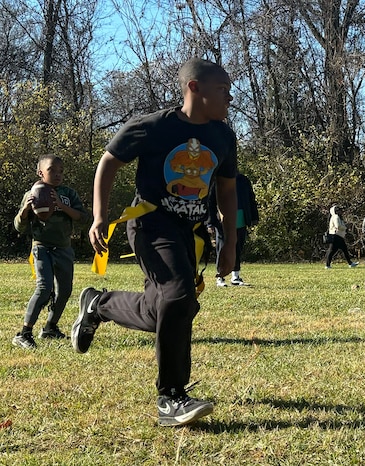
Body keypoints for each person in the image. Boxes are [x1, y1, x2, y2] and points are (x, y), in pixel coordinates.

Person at [71, 58, 238, 427]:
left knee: (162, 309)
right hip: (150, 224)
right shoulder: (152, 128)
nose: (230, 97)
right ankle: (171, 399)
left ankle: (99, 304)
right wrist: (100, 216)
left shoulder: (223, 136)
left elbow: (227, 191)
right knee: (179, 298)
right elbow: (108, 162)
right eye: (223, 90)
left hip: (190, 233)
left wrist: (229, 244)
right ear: (194, 88)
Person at [12, 154, 89, 349]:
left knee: (64, 290)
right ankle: (24, 333)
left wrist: (62, 206)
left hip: (63, 248)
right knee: (44, 288)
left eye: (60, 171)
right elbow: (19, 227)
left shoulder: (68, 193)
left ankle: (50, 328)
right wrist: (25, 211)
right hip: (42, 247)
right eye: (51, 171)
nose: (57, 175)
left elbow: (83, 217)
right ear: (40, 172)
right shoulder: (33, 193)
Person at [209, 171, 259, 287]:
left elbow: (251, 198)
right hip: (222, 220)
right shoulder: (216, 180)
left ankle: (235, 277)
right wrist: (210, 222)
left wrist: (254, 216)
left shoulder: (243, 180)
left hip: (241, 218)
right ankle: (220, 277)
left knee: (237, 247)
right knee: (221, 248)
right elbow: (210, 202)